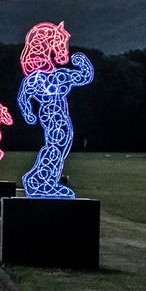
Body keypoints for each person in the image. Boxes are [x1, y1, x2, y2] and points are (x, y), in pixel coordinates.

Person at [17, 22, 94, 198]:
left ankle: (42, 180)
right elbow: (85, 76)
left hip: (47, 115)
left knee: (58, 145)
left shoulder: (33, 80)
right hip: (56, 116)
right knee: (56, 146)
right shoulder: (57, 77)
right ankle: (40, 181)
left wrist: (28, 112)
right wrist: (81, 61)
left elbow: (23, 97)